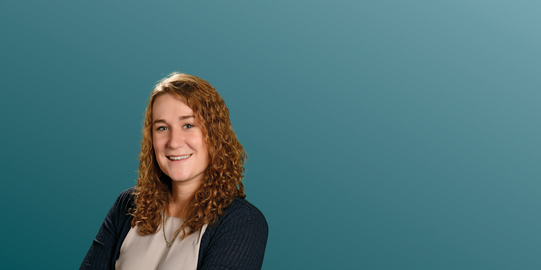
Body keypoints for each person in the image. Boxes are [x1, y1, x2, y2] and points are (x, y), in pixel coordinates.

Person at [80, 73, 268, 270]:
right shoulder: (127, 206)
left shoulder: (243, 222)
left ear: (215, 135)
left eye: (188, 125)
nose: (174, 142)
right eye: (162, 128)